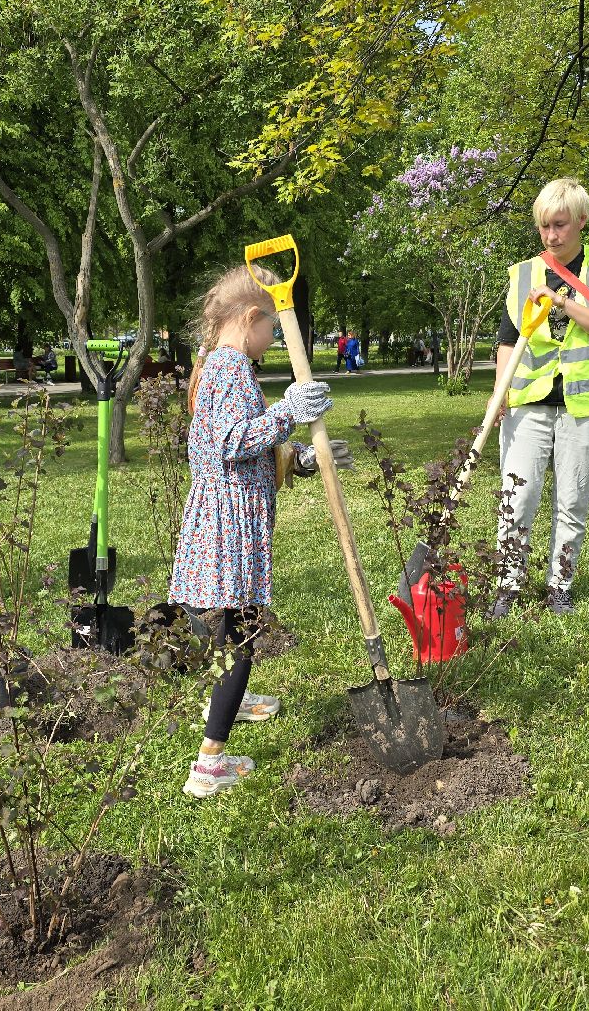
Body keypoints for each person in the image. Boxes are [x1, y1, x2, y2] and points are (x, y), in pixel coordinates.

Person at [170, 264, 349, 798]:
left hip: (226, 516)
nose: (273, 338)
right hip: (231, 526)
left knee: (232, 625)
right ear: (250, 318)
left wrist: (299, 458)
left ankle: (232, 699)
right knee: (244, 634)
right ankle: (210, 764)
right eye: (272, 327)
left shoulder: (219, 364)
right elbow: (231, 441)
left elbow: (243, 448)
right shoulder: (229, 368)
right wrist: (288, 412)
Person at [490, 177, 589, 618]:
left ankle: (559, 586)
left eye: (560, 225)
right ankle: (508, 586)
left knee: (572, 501)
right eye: (544, 226)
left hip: (584, 407)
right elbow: (508, 341)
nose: (551, 235)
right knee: (516, 499)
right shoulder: (522, 273)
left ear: (582, 221)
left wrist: (562, 302)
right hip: (527, 403)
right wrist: (499, 394)